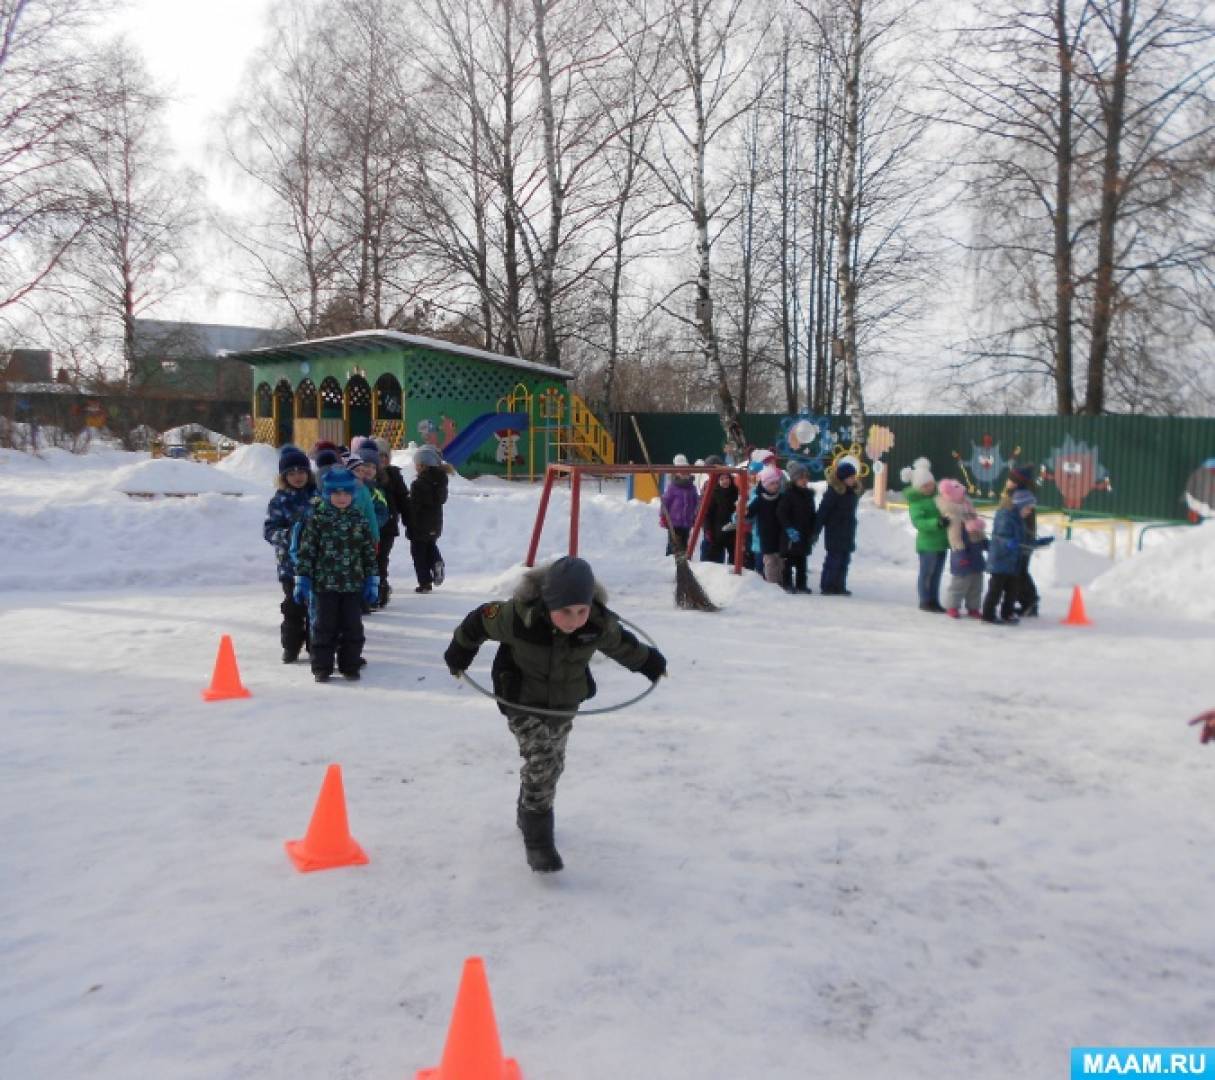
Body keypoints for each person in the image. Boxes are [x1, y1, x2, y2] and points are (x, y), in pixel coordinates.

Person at [442, 557, 668, 872]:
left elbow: (622, 645)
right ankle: (538, 840)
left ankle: (527, 811)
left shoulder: (597, 624)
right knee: (542, 760)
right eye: (565, 612)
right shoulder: (518, 618)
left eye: (581, 610)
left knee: (553, 764)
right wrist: (459, 653)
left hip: (564, 702)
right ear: (548, 603)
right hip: (521, 698)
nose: (574, 620)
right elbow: (478, 622)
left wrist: (649, 663)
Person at [293, 468, 379, 682]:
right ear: (327, 494)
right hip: (324, 587)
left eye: (346, 494)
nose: (342, 498)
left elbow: (368, 552)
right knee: (323, 628)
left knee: (353, 628)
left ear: (353, 495)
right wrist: (302, 579)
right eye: (336, 494)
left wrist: (372, 580)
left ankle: (350, 665)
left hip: (352, 586)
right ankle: (322, 667)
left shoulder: (358, 519)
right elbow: (307, 551)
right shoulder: (318, 519)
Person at [263, 446, 316, 663]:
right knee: (293, 608)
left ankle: (317, 646)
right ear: (284, 477)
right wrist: (290, 535)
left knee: (317, 608)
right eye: (292, 473)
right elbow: (269, 531)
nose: (297, 477)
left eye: (301, 472)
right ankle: (291, 646)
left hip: (316, 564)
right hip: (290, 566)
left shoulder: (318, 497)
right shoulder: (279, 501)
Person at [902, 457, 948, 613]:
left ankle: (934, 600)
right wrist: (937, 522)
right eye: (925, 485)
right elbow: (918, 522)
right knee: (927, 573)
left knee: (937, 575)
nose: (929, 487)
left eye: (930, 484)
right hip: (928, 544)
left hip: (942, 542)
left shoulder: (939, 497)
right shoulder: (916, 502)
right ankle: (925, 600)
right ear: (918, 487)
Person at [936, 478, 986, 619]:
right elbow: (954, 537)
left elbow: (977, 528)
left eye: (964, 493)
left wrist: (984, 541)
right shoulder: (953, 514)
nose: (964, 496)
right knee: (960, 582)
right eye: (961, 494)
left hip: (976, 549)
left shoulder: (968, 508)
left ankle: (973, 607)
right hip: (962, 551)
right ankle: (952, 606)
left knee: (976, 582)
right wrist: (960, 553)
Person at [371, 438, 410, 608]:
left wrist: (410, 521)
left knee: (381, 559)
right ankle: (370, 591)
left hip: (388, 527)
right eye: (378, 456)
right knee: (369, 559)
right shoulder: (366, 475)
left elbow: (403, 500)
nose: (382, 460)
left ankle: (381, 589)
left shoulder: (394, 475)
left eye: (385, 456)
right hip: (368, 528)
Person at [408, 443, 448, 593]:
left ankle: (425, 583)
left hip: (419, 525)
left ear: (423, 466)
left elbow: (414, 507)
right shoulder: (441, 482)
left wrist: (408, 518)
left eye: (417, 464)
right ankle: (437, 561)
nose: (415, 467)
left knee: (419, 554)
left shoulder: (418, 484)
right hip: (435, 524)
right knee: (430, 546)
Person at [817, 460, 861, 595]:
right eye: (850, 477)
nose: (853, 479)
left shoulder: (852, 493)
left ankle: (839, 585)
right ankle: (827, 585)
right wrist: (816, 529)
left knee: (844, 559)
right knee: (833, 559)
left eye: (854, 477)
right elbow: (823, 512)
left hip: (847, 532)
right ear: (842, 478)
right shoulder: (833, 493)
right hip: (834, 531)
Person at [1007, 465, 1042, 617]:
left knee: (1019, 572)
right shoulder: (1020, 494)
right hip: (1024, 538)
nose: (1007, 482)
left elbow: (1016, 518)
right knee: (1020, 571)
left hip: (1022, 540)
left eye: (1011, 479)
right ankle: (1029, 601)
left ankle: (1029, 602)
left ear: (1017, 482)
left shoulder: (1021, 496)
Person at [778, 460, 817, 593]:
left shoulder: (809, 495)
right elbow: (781, 513)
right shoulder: (788, 495)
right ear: (794, 479)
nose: (804, 480)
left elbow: (812, 514)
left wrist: (813, 532)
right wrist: (788, 528)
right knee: (788, 561)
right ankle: (787, 583)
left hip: (804, 534)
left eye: (806, 477)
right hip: (791, 535)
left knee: (802, 562)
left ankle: (802, 584)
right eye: (801, 478)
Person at [745, 464, 786, 584]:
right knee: (770, 562)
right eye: (772, 483)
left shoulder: (781, 498)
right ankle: (772, 585)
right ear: (765, 484)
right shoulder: (759, 499)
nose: (775, 486)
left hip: (780, 535)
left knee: (781, 561)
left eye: (777, 483)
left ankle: (781, 583)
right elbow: (749, 514)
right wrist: (743, 512)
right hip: (765, 536)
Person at [659, 454, 699, 557]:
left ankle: (682, 563)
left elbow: (696, 503)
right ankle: (670, 561)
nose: (684, 474)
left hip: (687, 522)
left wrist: (695, 515)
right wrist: (663, 516)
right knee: (674, 544)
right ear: (676, 473)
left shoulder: (692, 488)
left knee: (684, 544)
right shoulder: (672, 487)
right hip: (674, 522)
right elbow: (665, 502)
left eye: (686, 472)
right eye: (681, 472)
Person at [701, 461, 738, 564]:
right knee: (715, 558)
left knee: (734, 556)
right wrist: (708, 529)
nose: (725, 481)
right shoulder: (714, 493)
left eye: (727, 478)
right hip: (718, 531)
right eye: (722, 479)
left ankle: (733, 574)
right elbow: (708, 513)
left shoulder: (735, 491)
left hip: (733, 530)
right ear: (718, 481)